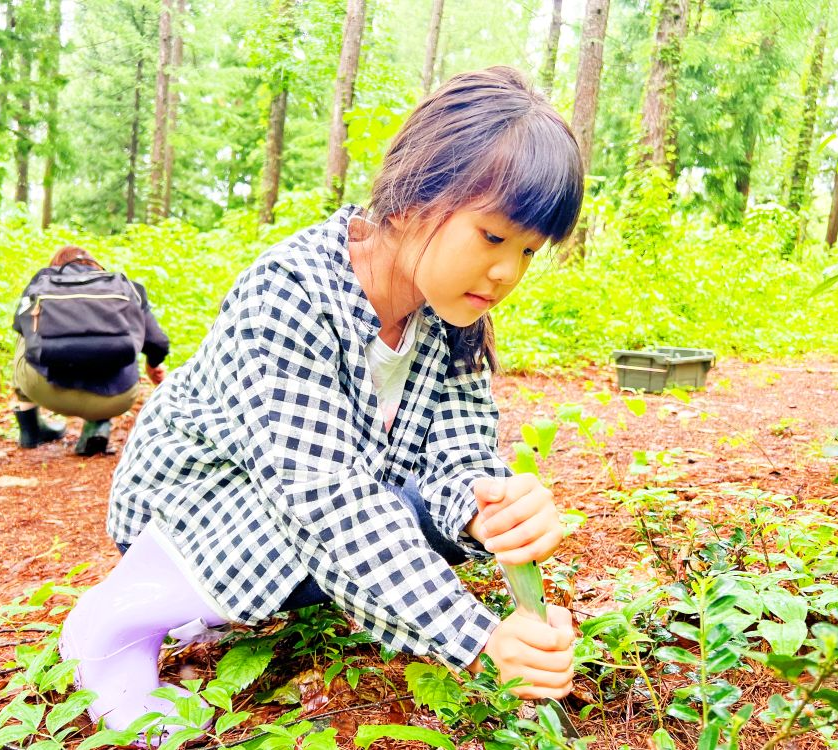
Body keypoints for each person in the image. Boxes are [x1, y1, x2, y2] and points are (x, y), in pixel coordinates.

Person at [60, 65, 584, 735]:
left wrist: (495, 513)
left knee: (426, 516)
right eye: (493, 237)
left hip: (321, 489)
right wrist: (479, 639)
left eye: (530, 251)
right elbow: (324, 498)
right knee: (323, 517)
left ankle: (225, 602)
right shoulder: (292, 292)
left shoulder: (452, 317)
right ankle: (122, 617)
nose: (507, 271)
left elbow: (459, 459)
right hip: (197, 499)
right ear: (412, 199)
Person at [11, 246, 170, 455]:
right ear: (96, 266)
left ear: (55, 267)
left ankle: (30, 430)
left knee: (25, 330)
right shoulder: (126, 287)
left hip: (43, 389)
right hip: (115, 398)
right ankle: (97, 428)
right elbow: (158, 342)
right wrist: (152, 365)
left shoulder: (43, 283)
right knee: (124, 338)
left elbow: (19, 324)